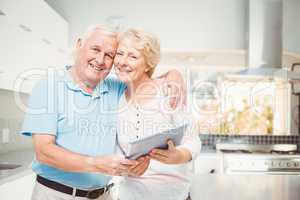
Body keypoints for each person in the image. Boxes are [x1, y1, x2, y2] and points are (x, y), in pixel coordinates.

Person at [21, 25, 186, 200]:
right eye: (95, 49)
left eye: (109, 55)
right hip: (56, 194)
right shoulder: (49, 87)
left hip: (103, 195)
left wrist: (174, 74)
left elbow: (145, 75)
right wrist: (95, 164)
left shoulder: (116, 88)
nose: (100, 60)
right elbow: (44, 151)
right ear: (79, 44)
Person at [113, 29, 201, 200]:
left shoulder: (168, 91)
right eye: (120, 53)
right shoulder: (116, 98)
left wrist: (178, 156)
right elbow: (117, 149)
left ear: (148, 64)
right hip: (130, 195)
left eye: (133, 56)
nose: (123, 61)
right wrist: (124, 167)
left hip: (172, 195)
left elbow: (193, 141)